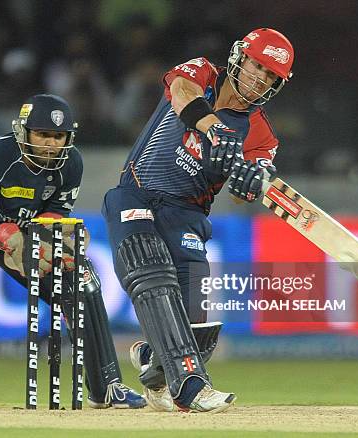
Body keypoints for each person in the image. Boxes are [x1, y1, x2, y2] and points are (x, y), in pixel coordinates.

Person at [101, 28, 294, 413]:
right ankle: (191, 384)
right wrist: (214, 130)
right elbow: (181, 94)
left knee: (199, 330)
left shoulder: (261, 134)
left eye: (271, 76)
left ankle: (153, 365)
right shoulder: (203, 72)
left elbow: (250, 184)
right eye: (258, 66)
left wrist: (249, 180)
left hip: (186, 215)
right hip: (137, 192)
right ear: (240, 56)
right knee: (152, 275)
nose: (260, 79)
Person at [0, 93, 146, 409]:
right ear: (23, 132)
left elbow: (53, 214)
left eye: (58, 136)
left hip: (24, 228)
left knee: (81, 281)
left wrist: (59, 242)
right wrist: (10, 238)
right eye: (43, 134)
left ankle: (106, 387)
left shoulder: (71, 163)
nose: (51, 144)